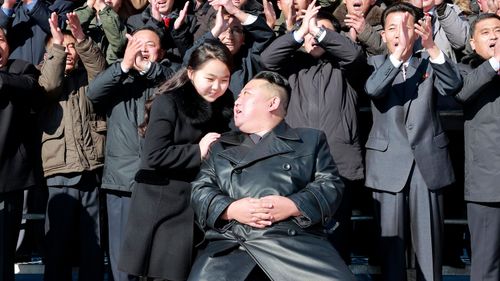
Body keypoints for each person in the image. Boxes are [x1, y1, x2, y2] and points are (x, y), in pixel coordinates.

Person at [189, 71, 356, 281]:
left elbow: (330, 184)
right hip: (232, 243)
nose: (236, 101)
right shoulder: (221, 145)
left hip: (294, 243)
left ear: (272, 103)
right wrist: (231, 209)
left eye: (246, 94)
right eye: (238, 96)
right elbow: (200, 189)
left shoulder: (310, 139)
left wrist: (293, 205)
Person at [261, 1, 367, 263]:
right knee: (296, 241)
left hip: (339, 165)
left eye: (323, 32)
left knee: (336, 241)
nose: (314, 35)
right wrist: (299, 32)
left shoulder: (345, 68)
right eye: (309, 31)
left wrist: (320, 32)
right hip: (295, 165)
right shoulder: (291, 66)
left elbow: (353, 55)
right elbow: (266, 59)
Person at [119, 39, 233, 281]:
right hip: (162, 207)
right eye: (210, 79)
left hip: (197, 204)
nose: (217, 87)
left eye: (224, 80)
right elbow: (153, 155)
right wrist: (197, 151)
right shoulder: (168, 101)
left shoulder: (224, 105)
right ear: (191, 73)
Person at [364, 3, 463, 281]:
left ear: (419, 30)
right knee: (390, 249)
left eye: (407, 27)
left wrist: (431, 47)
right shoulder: (375, 64)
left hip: (427, 163)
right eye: (393, 28)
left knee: (430, 247)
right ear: (383, 35)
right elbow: (374, 89)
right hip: (387, 165)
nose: (401, 34)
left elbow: (454, 86)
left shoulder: (431, 60)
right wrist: (397, 57)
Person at [86, 27, 176, 281]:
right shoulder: (118, 78)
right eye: (137, 44)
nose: (143, 49)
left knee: (157, 258)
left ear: (161, 51)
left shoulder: (168, 76)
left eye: (149, 44)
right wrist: (124, 65)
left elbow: (179, 87)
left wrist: (149, 70)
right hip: (121, 182)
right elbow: (93, 94)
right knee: (122, 259)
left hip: (160, 182)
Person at [38, 12, 107, 281]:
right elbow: (50, 86)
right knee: (58, 248)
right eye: (59, 46)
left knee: (93, 248)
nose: (67, 52)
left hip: (91, 168)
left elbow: (101, 74)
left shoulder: (86, 77)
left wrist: (80, 38)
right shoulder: (40, 76)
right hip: (59, 171)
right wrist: (57, 46)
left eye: (70, 48)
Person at [453, 13, 500, 281]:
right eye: (486, 32)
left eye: (498, 30)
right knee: (485, 266)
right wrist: (495, 63)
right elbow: (461, 92)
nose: (494, 36)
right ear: (472, 42)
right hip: (487, 186)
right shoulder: (466, 70)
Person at [0, 26, 41, 281]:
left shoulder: (20, 68)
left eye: (0, 39)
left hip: (7, 180)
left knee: (4, 254)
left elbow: (32, 87)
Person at [185, 0, 275, 98]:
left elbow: (266, 36)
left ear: (243, 37)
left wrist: (236, 11)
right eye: (223, 30)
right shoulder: (207, 56)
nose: (229, 36)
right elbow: (188, 59)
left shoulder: (250, 57)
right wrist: (217, 28)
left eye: (236, 30)